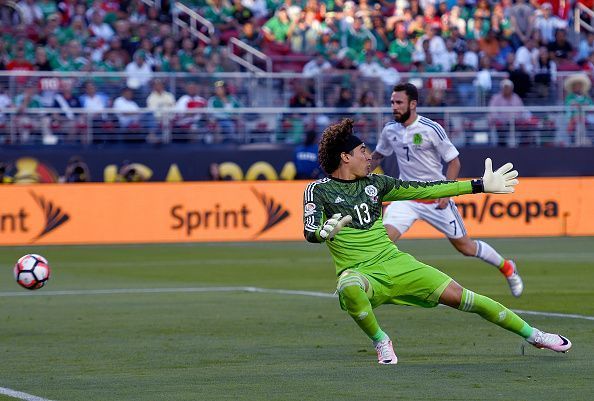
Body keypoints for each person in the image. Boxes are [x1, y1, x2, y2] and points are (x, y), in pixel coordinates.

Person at [303, 117, 572, 365]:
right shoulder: (318, 190)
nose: (369, 156)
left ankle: (535, 335)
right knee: (348, 285)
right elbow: (310, 230)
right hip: (361, 273)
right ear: (345, 156)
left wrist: (477, 185)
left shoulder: (377, 184)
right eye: (363, 150)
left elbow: (429, 187)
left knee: (468, 299)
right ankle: (381, 340)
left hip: (397, 264)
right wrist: (323, 233)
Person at [370, 83, 523, 298]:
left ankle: (507, 267)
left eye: (399, 102)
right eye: (392, 102)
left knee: (466, 248)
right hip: (406, 197)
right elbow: (378, 155)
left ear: (413, 104)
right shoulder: (390, 130)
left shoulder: (431, 129)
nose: (394, 106)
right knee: (383, 240)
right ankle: (363, 283)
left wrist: (446, 192)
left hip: (435, 198)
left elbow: (454, 163)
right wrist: (360, 172)